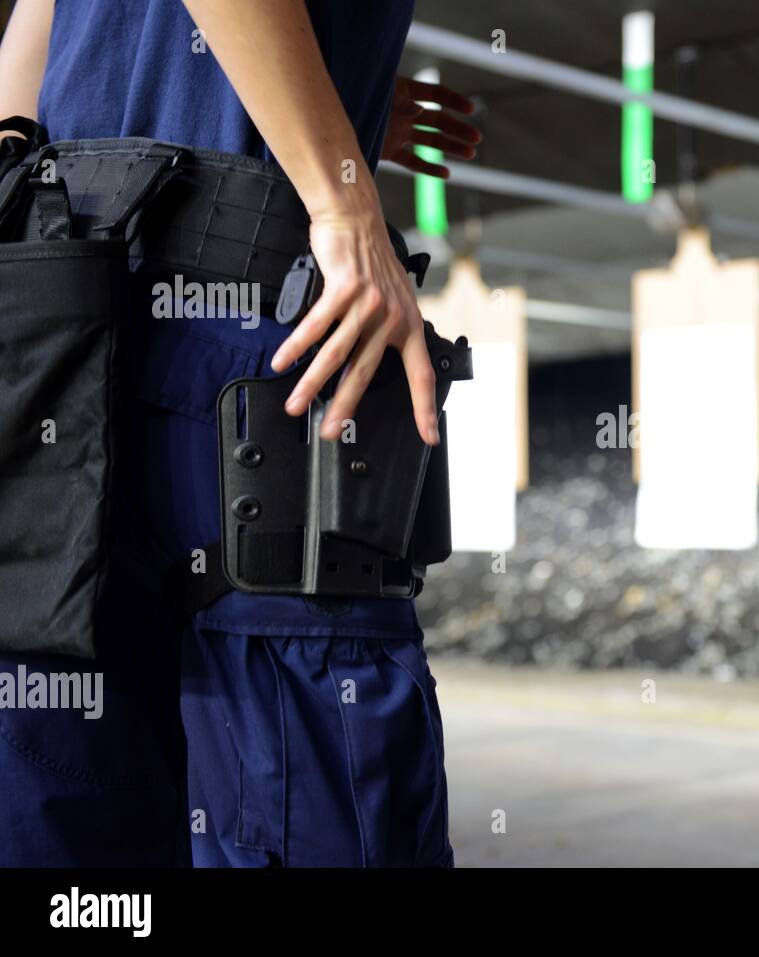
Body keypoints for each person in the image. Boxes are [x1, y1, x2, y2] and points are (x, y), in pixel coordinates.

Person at [0, 0, 480, 866]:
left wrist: (302, 87)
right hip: (245, 340)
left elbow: (28, 57)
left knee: (73, 825)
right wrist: (342, 198)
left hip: (56, 338)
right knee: (325, 806)